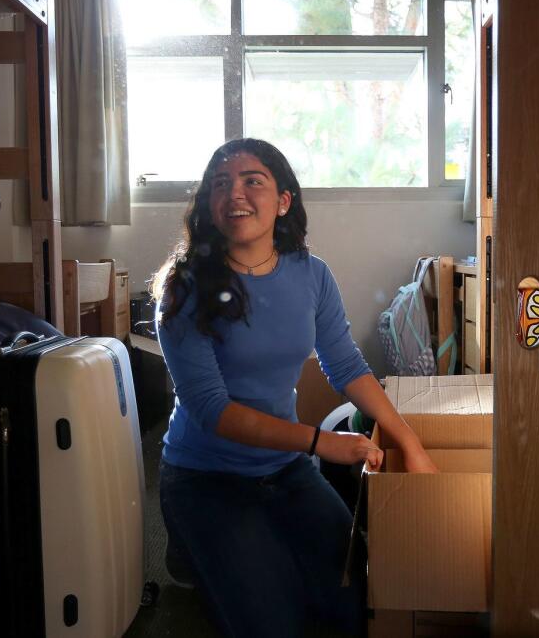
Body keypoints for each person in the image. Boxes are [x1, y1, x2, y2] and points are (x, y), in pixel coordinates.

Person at [151, 138, 437, 637]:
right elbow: (212, 410)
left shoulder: (311, 274)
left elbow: (346, 363)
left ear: (283, 200)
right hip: (205, 476)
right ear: (208, 204)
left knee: (351, 601)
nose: (234, 192)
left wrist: (409, 442)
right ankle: (188, 543)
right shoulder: (182, 289)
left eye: (251, 181)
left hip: (284, 469)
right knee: (272, 621)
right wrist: (322, 442)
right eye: (220, 184)